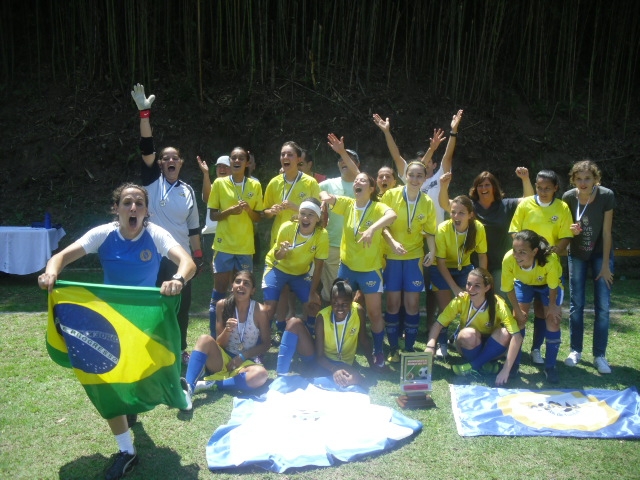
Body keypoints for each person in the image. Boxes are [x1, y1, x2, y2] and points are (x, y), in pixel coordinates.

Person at [38, 183, 196, 480]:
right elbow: (60, 257)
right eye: (127, 203)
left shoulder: (156, 234)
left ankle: (180, 386)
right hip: (108, 322)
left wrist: (177, 278)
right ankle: (126, 451)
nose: (133, 208)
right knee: (105, 379)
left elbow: (187, 263)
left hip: (146, 322)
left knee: (153, 375)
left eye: (139, 203)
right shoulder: (103, 234)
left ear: (147, 210)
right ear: (117, 209)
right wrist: (51, 272)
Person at [131, 84, 203, 365]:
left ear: (181, 163)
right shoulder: (151, 182)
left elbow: (194, 227)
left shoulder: (187, 190)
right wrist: (144, 114)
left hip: (181, 257)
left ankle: (181, 348)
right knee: (154, 304)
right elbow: (146, 146)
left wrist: (197, 258)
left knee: (181, 306)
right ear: (160, 164)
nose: (170, 160)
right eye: (166, 158)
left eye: (175, 157)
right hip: (152, 255)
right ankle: (150, 347)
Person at [320, 172, 398, 368]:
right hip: (346, 267)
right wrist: (324, 200)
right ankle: (340, 346)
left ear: (371, 189)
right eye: (356, 180)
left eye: (363, 180)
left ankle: (378, 350)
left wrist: (373, 229)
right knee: (337, 304)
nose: (357, 182)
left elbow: (392, 215)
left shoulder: (377, 207)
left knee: (374, 314)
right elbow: (324, 194)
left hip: (370, 270)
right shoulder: (347, 204)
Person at [508, 170, 573, 365]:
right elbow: (514, 231)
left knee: (543, 313)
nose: (543, 191)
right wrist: (526, 254)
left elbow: (566, 236)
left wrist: (550, 254)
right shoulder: (526, 204)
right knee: (520, 314)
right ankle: (515, 361)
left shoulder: (562, 207)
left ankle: (537, 349)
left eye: (547, 188)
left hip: (547, 269)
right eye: (539, 187)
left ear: (555, 188)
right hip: (525, 269)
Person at [182, 270, 270, 409]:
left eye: (246, 283)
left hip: (245, 363)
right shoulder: (222, 305)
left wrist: (242, 356)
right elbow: (219, 343)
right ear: (232, 286)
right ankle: (188, 388)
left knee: (261, 375)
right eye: (238, 281)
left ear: (252, 290)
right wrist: (227, 330)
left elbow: (266, 344)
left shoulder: (260, 310)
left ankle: (211, 384)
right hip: (222, 360)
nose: (241, 285)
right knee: (204, 339)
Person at [439, 167, 534, 293]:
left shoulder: (506, 205)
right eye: (480, 185)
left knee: (501, 299)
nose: (483, 188)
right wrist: (444, 186)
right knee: (477, 301)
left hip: (500, 264)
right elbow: (445, 204)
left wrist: (525, 179)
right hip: (475, 264)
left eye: (487, 185)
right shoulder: (471, 207)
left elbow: (529, 200)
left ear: (494, 187)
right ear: (475, 189)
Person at [424, 268, 522, 385]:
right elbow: (438, 324)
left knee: (505, 333)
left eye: (477, 286)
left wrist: (506, 370)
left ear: (487, 287)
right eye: (468, 284)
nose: (470, 289)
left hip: (491, 344)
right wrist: (430, 346)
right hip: (468, 344)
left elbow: (517, 336)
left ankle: (474, 365)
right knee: (468, 334)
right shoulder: (461, 299)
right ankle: (486, 365)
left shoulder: (498, 304)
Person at [380, 161, 437, 361]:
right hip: (393, 256)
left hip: (414, 258)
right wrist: (393, 243)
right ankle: (394, 348)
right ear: (405, 175)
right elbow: (382, 226)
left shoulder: (427, 202)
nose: (414, 179)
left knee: (412, 305)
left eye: (419, 176)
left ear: (425, 177)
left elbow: (430, 231)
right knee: (393, 304)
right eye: (411, 175)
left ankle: (410, 348)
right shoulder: (391, 195)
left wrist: (432, 251)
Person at [562, 160, 615, 374]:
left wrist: (604, 266)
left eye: (587, 178)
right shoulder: (567, 197)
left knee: (603, 306)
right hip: (577, 255)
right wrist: (570, 230)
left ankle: (599, 355)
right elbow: (562, 227)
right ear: (573, 180)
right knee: (577, 304)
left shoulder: (606, 195)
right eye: (579, 178)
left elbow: (607, 232)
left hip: (601, 255)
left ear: (596, 179)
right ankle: (576, 350)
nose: (583, 183)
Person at [207, 146, 263, 336]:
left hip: (245, 246)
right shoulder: (219, 184)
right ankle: (216, 336)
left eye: (241, 158)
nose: (237, 161)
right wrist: (229, 211)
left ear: (247, 162)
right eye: (233, 158)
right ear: (230, 162)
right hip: (223, 245)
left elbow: (259, 218)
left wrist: (248, 210)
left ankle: (243, 336)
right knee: (220, 290)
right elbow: (213, 215)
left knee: (244, 293)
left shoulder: (255, 185)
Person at [501, 230, 564, 383]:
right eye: (515, 251)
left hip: (548, 286)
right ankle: (514, 365)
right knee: (518, 319)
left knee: (553, 320)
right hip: (524, 283)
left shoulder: (550, 259)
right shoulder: (509, 259)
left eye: (522, 252)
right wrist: (517, 310)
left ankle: (550, 367)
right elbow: (508, 288)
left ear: (535, 251)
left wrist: (553, 306)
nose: (517, 255)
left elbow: (553, 285)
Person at [430, 195, 487, 358]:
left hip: (464, 268)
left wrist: (483, 282)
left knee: (468, 306)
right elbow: (440, 262)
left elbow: (482, 256)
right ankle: (442, 346)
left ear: (470, 214)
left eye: (461, 213)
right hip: (440, 269)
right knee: (446, 307)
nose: (455, 216)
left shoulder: (478, 228)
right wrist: (455, 288)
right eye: (453, 212)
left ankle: (456, 337)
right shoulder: (443, 228)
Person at [262, 198, 329, 336]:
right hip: (277, 268)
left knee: (314, 303)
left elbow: (318, 267)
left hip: (299, 274)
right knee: (269, 308)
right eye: (302, 213)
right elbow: (277, 256)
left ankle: (310, 334)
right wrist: (283, 251)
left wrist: (312, 292)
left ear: (318, 218)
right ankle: (264, 340)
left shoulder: (322, 235)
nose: (305, 218)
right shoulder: (287, 227)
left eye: (310, 214)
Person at [318, 135, 361, 303]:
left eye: (349, 159)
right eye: (341, 159)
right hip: (333, 243)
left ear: (357, 165)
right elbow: (310, 201)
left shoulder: (363, 185)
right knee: (331, 289)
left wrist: (342, 151)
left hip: (357, 245)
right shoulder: (327, 185)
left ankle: (352, 322)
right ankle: (329, 322)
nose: (344, 162)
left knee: (353, 288)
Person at [199, 155, 231, 267]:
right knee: (216, 269)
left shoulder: (238, 188)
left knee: (232, 270)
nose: (222, 169)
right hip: (211, 234)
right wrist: (206, 174)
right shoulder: (212, 187)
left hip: (231, 233)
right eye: (219, 167)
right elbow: (206, 198)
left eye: (225, 167)